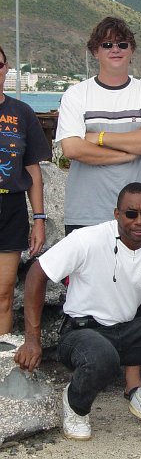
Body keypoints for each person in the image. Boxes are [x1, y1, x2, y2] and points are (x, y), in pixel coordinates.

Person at [14, 182, 141, 440]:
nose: (140, 221)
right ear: (116, 214)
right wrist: (33, 339)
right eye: (131, 214)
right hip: (81, 333)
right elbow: (36, 273)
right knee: (102, 355)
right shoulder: (87, 239)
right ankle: (75, 405)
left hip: (126, 330)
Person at [56, 16, 141, 394]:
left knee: (134, 295)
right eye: (107, 44)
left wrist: (98, 138)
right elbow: (71, 148)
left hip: (134, 216)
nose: (115, 50)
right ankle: (87, 368)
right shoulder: (77, 94)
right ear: (94, 51)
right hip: (85, 209)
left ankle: (132, 381)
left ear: (131, 50)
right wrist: (126, 148)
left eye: (121, 44)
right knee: (82, 292)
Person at [0, 45, 51, 335]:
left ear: (6, 68)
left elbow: (33, 170)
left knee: (4, 294)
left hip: (11, 209)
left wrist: (39, 220)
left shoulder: (22, 113)